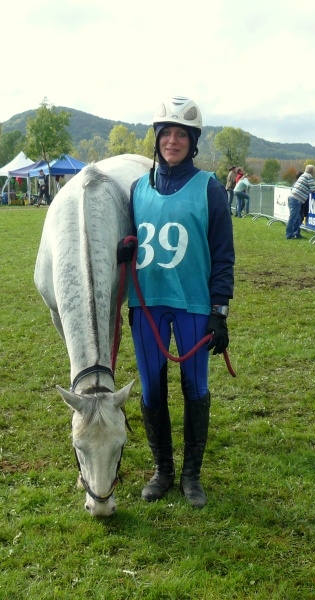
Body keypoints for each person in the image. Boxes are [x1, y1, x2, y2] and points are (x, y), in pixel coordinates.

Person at [118, 96, 234, 509]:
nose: (172, 141)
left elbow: (223, 255)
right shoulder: (136, 190)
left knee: (194, 387)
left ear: (193, 141)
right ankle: (163, 470)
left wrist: (220, 312)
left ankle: (191, 476)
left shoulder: (211, 189)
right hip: (147, 304)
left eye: (181, 134)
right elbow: (132, 239)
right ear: (157, 138)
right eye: (166, 133)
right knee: (152, 387)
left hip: (194, 305)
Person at [286, 165, 315, 239]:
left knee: (297, 218)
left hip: (292, 197)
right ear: (312, 171)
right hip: (296, 199)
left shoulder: (303, 176)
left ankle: (296, 233)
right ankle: (289, 235)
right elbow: (312, 189)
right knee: (293, 218)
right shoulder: (309, 176)